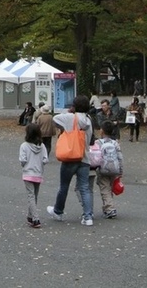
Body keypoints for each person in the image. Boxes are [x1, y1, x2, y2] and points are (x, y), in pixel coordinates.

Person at [46, 95, 95, 226]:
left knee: (64, 186)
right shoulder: (89, 121)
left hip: (70, 157)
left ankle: (58, 211)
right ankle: (88, 216)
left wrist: (68, 112)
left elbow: (55, 118)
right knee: (84, 188)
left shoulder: (70, 118)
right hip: (84, 158)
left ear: (74, 106)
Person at [19, 122, 47, 229]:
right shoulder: (42, 146)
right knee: (34, 196)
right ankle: (30, 216)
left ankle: (35, 218)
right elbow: (45, 159)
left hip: (28, 173)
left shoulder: (24, 146)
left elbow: (22, 160)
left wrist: (25, 165)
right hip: (38, 173)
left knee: (31, 196)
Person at [94, 120, 124, 219]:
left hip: (103, 169)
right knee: (110, 187)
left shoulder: (98, 142)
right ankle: (107, 208)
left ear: (101, 131)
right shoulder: (115, 143)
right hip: (114, 168)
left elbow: (95, 157)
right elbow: (120, 157)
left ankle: (110, 209)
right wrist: (120, 171)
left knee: (105, 189)